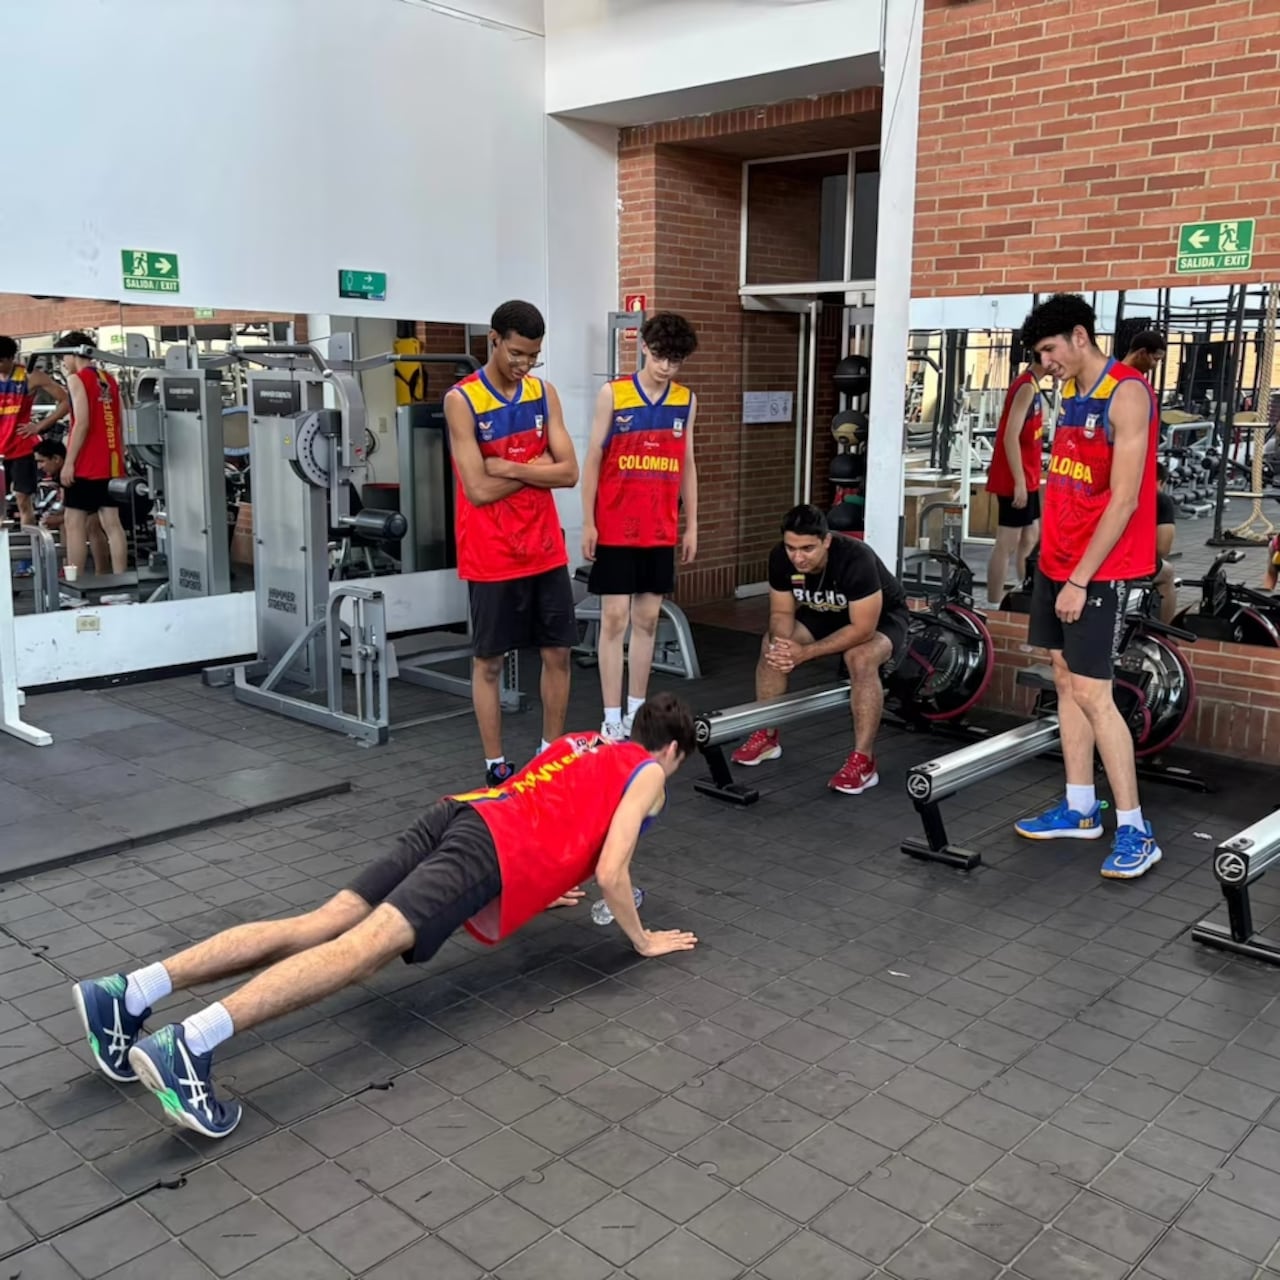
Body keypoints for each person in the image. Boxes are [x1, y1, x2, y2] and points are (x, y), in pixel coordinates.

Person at [71, 692, 700, 1139]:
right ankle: (189, 1043)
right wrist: (642, 940)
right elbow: (612, 869)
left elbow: (543, 801)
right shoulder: (648, 770)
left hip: (460, 813)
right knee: (359, 951)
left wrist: (540, 884)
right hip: (486, 848)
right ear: (671, 749)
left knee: (322, 922)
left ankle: (128, 993)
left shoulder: (584, 740)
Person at [1014, 294, 1161, 879]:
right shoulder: (1070, 392)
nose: (1045, 362)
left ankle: (1136, 830)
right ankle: (1080, 808)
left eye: (1050, 350)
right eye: (1040, 354)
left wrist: (1079, 578)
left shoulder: (1127, 392)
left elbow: (1124, 500)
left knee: (1096, 694)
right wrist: (1051, 561)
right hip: (1058, 562)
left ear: (1080, 336)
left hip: (1097, 570)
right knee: (1065, 681)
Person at [444, 301, 580, 786]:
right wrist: (537, 470)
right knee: (489, 663)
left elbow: (569, 473)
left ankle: (550, 756)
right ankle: (496, 766)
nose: (524, 364)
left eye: (533, 356)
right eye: (517, 353)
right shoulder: (462, 400)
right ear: (494, 339)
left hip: (544, 548)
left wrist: (508, 466)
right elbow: (478, 490)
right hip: (491, 554)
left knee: (558, 654)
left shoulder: (544, 394)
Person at [731, 503, 912, 795]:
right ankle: (766, 734)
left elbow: (862, 629)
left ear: (826, 541)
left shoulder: (855, 557)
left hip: (881, 617)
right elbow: (781, 613)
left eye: (807, 549)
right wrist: (784, 647)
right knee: (771, 644)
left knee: (860, 658)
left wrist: (805, 653)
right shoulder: (780, 557)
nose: (798, 557)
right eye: (791, 548)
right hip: (825, 611)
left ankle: (864, 761)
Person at [581, 312, 699, 739]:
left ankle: (635, 711)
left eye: (676, 360)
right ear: (645, 348)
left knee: (647, 619)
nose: (667, 366)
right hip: (615, 525)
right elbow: (594, 458)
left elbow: (687, 463)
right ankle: (611, 717)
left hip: (659, 527)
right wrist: (588, 521)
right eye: (661, 356)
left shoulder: (685, 401)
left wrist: (692, 525)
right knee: (614, 618)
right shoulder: (613, 394)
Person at [55, 331, 129, 576]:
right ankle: (120, 582)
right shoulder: (109, 379)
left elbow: (82, 423)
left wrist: (69, 463)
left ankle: (75, 581)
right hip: (112, 460)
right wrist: (120, 453)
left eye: (63, 358)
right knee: (112, 524)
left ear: (72, 354)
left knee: (73, 523)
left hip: (87, 462)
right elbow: (120, 421)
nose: (63, 363)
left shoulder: (76, 379)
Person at [985, 336, 1048, 609]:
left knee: (1031, 536)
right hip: (1014, 478)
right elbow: (1009, 435)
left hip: (1028, 475)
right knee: (1007, 542)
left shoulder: (1034, 386)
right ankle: (992, 603)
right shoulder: (1025, 387)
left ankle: (1026, 591)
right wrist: (1019, 482)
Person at [0, 336, 70, 527]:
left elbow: (66, 401)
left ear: (9, 359)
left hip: (21, 447)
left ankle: (29, 542)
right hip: (1, 449)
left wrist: (40, 426)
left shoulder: (31, 376)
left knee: (23, 500)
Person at [33, 438, 112, 571]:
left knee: (91, 525)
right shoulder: (59, 474)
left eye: (42, 461)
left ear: (56, 459)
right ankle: (68, 568)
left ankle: (99, 571)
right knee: (66, 523)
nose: (39, 467)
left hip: (103, 500)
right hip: (91, 500)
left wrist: (59, 518)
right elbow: (67, 504)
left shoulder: (71, 475)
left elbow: (86, 511)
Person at [1154, 462, 1178, 624]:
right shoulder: (1161, 499)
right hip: (1124, 563)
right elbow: (1162, 549)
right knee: (1167, 572)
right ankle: (1164, 630)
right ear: (1160, 482)